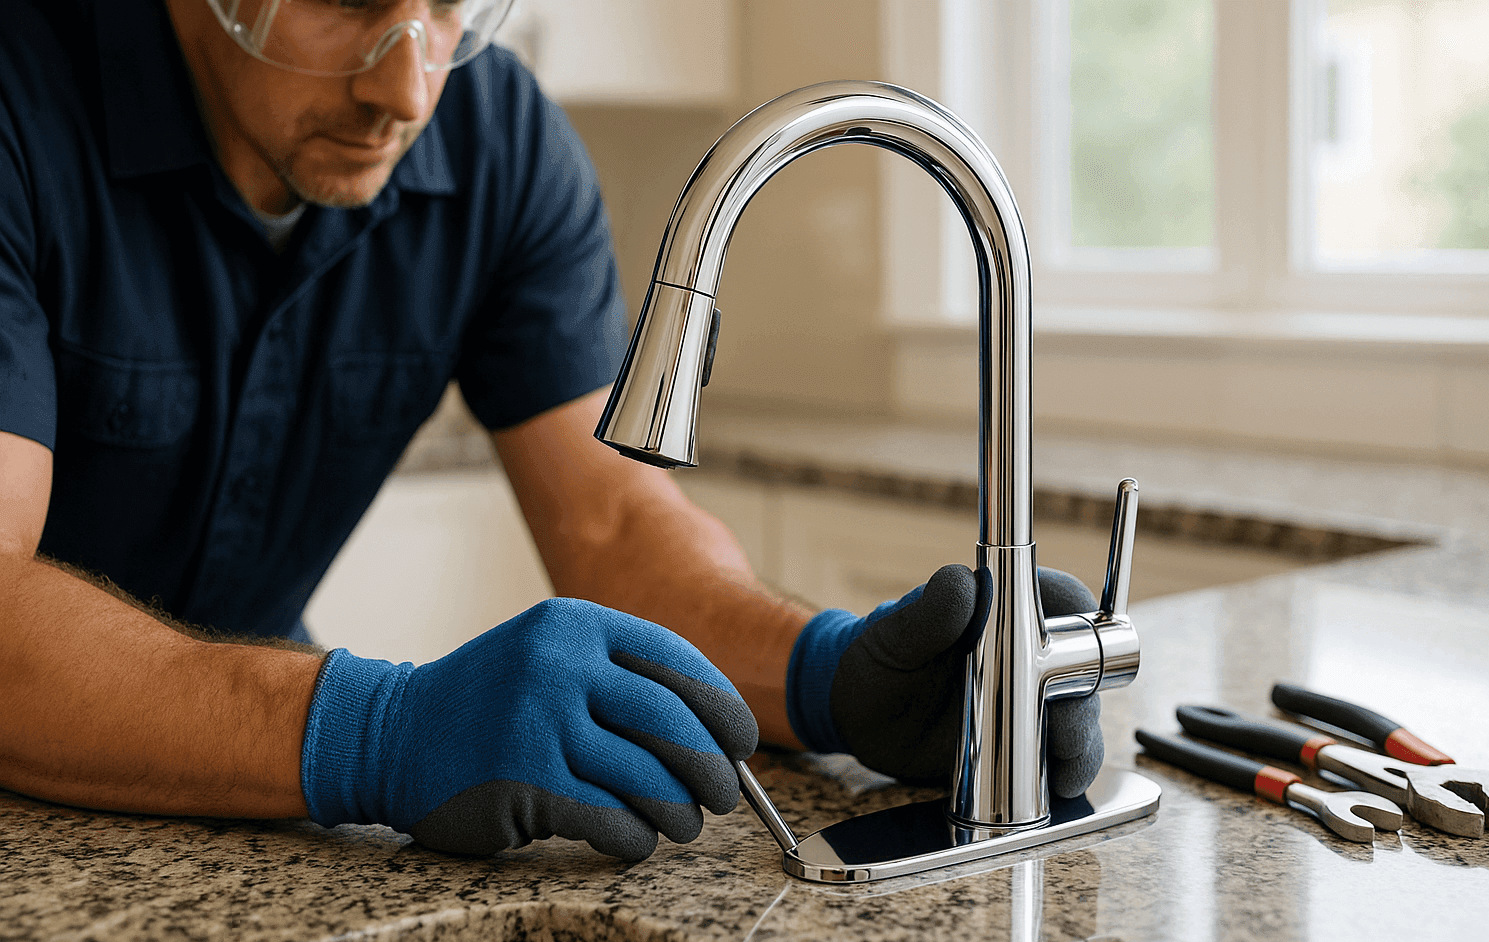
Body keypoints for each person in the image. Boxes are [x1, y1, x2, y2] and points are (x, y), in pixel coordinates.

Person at [0, 0, 1104, 861]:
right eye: (345, 2)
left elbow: (617, 524)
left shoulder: (500, 138)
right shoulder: (20, 96)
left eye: (450, 10)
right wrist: (378, 729)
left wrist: (827, 676)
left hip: (251, 799)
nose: (407, 84)